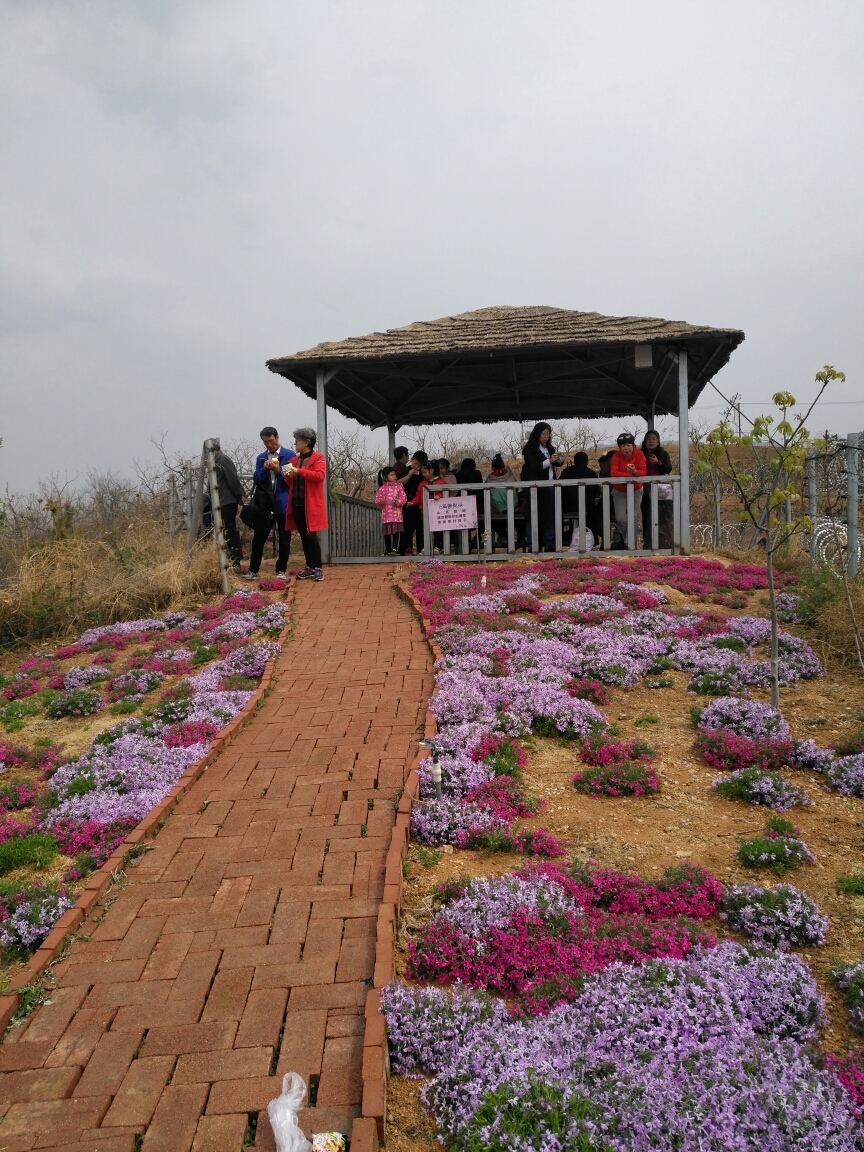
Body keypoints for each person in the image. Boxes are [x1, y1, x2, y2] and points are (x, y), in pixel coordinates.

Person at [244, 427, 297, 579]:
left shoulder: (289, 455)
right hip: (265, 504)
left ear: (277, 438)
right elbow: (257, 478)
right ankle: (253, 570)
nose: (269, 445)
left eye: (271, 441)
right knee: (259, 537)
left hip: (282, 502)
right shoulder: (261, 458)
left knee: (284, 538)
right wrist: (265, 469)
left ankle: (280, 570)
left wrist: (278, 470)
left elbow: (290, 479)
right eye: (266, 442)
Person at [283, 427, 327, 581]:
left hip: (311, 504)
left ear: (307, 442)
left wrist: (298, 471)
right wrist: (287, 474)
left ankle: (318, 567)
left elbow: (319, 476)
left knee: (311, 535)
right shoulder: (294, 460)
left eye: (298, 440)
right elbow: (289, 482)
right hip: (297, 502)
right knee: (303, 535)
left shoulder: (318, 458)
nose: (295, 443)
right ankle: (309, 566)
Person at [520, 422, 565, 550]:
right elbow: (535, 466)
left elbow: (555, 464)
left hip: (549, 485)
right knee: (533, 515)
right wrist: (549, 461)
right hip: (536, 487)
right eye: (543, 433)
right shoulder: (530, 450)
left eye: (548, 433)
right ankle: (533, 544)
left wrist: (559, 459)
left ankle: (549, 543)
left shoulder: (549, 448)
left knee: (549, 516)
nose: (546, 436)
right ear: (537, 434)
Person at [609, 433, 646, 549]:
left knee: (633, 517)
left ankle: (631, 545)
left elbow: (643, 472)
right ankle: (628, 540)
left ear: (633, 445)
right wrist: (631, 474)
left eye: (629, 445)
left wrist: (635, 471)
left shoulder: (639, 454)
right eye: (623, 446)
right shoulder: (616, 456)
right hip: (619, 491)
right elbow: (613, 473)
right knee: (620, 518)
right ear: (619, 447)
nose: (626, 448)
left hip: (636, 490)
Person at [212, 445, 245, 572]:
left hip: (227, 501)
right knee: (225, 530)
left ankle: (234, 561)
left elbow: (232, 479)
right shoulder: (217, 460)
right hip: (222, 501)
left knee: (229, 530)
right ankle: (230, 560)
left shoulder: (222, 459)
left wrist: (240, 496)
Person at [559, 450, 602, 547]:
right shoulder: (592, 474)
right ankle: (593, 538)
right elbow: (597, 493)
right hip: (588, 508)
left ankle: (563, 537)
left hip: (566, 507)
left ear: (574, 461)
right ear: (587, 462)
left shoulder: (566, 472)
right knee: (596, 511)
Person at [641, 430, 673, 549]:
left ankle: (663, 544)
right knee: (646, 518)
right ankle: (647, 545)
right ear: (644, 441)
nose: (651, 441)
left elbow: (667, 469)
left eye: (654, 439)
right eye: (648, 439)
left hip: (660, 492)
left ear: (658, 441)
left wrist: (657, 463)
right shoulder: (641, 454)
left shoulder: (663, 453)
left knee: (661, 519)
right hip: (644, 491)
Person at [398, 451, 429, 555]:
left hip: (420, 506)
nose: (416, 466)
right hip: (407, 504)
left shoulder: (424, 473)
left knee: (421, 529)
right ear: (411, 460)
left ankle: (421, 549)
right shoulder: (406, 470)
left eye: (419, 465)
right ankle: (408, 549)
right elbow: (398, 484)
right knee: (407, 528)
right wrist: (409, 475)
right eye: (415, 463)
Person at [375, 465, 407, 555]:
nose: (394, 477)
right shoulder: (381, 488)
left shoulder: (399, 487)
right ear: (385, 477)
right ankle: (388, 550)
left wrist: (398, 502)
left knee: (396, 532)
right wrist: (381, 501)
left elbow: (404, 498)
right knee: (387, 533)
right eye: (392, 475)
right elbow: (377, 500)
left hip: (396, 515)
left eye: (395, 475)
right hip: (386, 515)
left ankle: (394, 549)